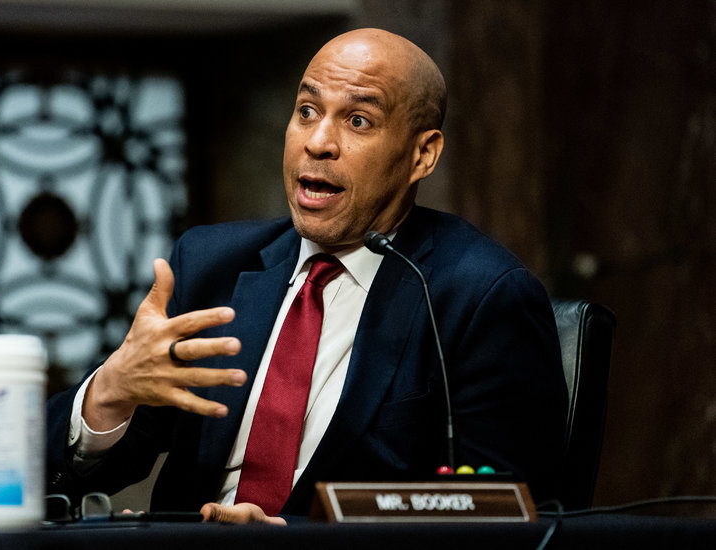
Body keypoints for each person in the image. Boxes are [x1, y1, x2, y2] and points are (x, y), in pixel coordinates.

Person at [45, 28, 568, 524]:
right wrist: (109, 393)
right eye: (307, 111)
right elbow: (78, 476)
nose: (318, 142)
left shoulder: (479, 296)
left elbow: (504, 515)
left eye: (358, 120)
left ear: (422, 154)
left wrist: (295, 538)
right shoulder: (211, 266)